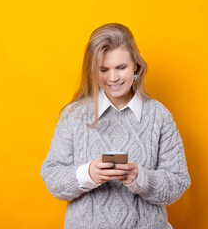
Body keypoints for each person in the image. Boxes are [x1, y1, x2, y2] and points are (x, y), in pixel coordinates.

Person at [40, 23, 191, 229]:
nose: (113, 78)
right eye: (104, 69)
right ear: (93, 70)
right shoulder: (74, 115)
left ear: (136, 66)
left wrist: (141, 178)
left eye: (121, 67)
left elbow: (178, 182)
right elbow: (52, 178)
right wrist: (88, 175)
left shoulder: (158, 115)